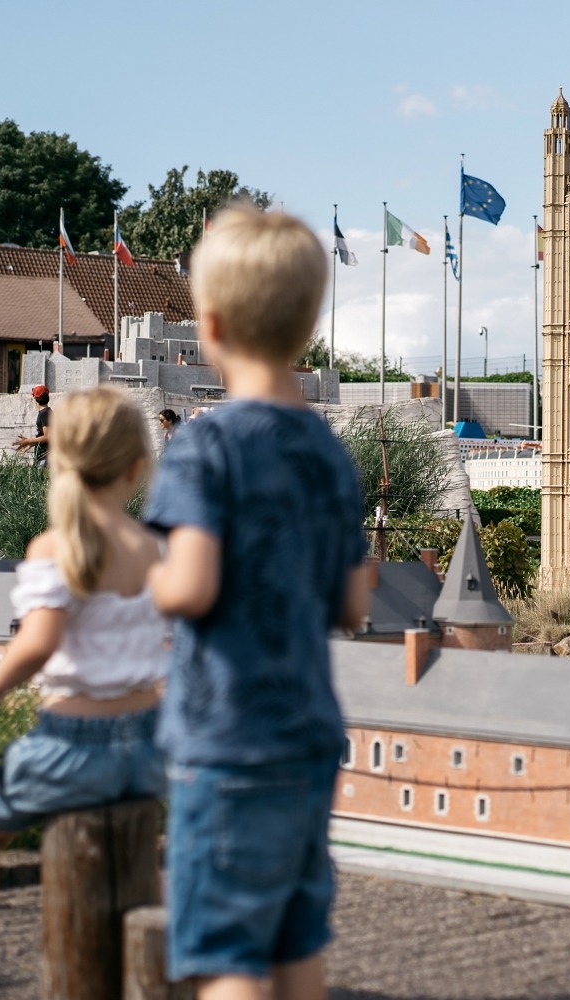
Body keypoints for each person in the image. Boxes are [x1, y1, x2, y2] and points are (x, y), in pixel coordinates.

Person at [145, 206, 369, 1000]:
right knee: (295, 941)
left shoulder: (202, 444)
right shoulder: (328, 452)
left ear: (208, 325)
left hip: (226, 740)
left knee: (230, 953)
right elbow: (351, 600)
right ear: (307, 327)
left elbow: (192, 585)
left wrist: (151, 574)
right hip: (309, 737)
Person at [0, 387, 168, 1000]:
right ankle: (161, 968)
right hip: (149, 746)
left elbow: (39, 643)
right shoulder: (154, 549)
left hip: (73, 747)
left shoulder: (58, 548)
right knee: (144, 857)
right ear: (137, 468)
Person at [13, 385, 53, 467]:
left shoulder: (45, 414)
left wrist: (28, 441)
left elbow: (47, 437)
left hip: (45, 457)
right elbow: (42, 436)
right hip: (42, 456)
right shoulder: (45, 412)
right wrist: (31, 444)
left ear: (35, 398)